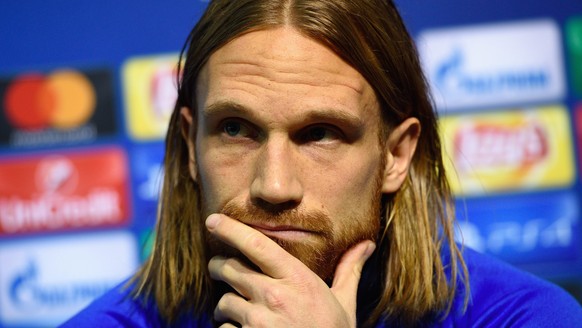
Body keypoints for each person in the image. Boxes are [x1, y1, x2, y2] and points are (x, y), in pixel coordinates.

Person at [62, 0, 582, 327]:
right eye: (236, 129)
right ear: (190, 144)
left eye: (321, 134)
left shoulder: (525, 318)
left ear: (396, 155)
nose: (274, 184)